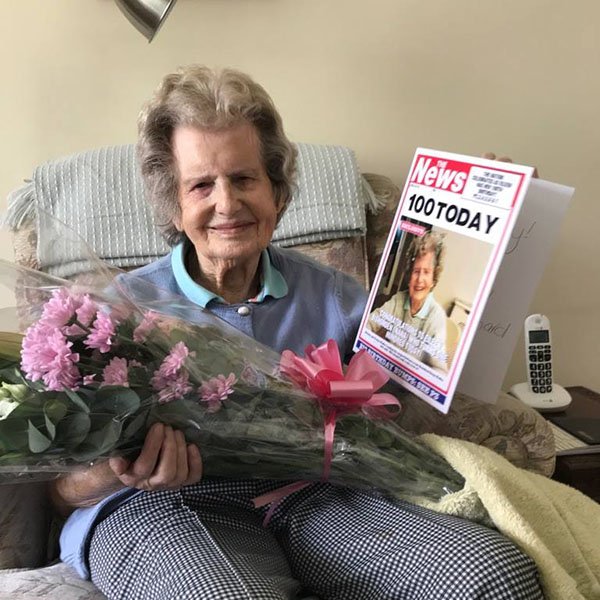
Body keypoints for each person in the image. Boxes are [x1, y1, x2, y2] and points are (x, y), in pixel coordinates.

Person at [50, 65, 544, 600]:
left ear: (278, 193)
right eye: (201, 185)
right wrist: (123, 469)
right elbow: (61, 488)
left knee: (491, 576)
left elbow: (416, 390)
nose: (227, 204)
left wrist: (480, 231)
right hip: (165, 507)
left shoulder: (339, 296)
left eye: (244, 179)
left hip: (318, 496)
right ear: (174, 205)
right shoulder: (111, 315)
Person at [368, 231, 449, 372]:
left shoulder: (436, 317)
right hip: (385, 372)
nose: (420, 279)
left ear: (433, 279)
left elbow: (440, 371)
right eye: (416, 271)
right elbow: (370, 323)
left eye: (426, 272)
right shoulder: (399, 299)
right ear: (410, 276)